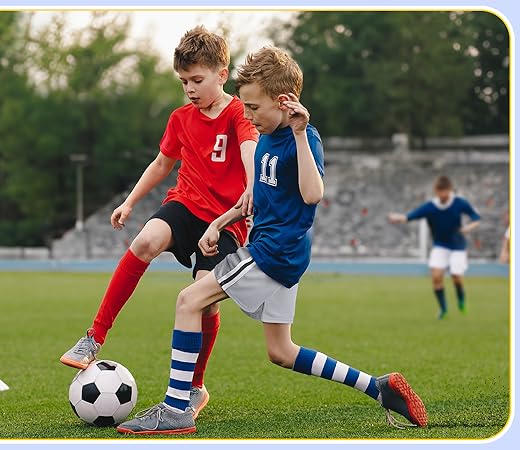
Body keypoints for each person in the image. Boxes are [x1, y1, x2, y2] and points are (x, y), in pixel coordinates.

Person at [116, 46, 428, 435]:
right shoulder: (265, 133)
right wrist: (220, 222)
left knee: (188, 300)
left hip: (272, 253)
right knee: (281, 351)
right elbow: (255, 200)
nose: (246, 116)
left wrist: (299, 134)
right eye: (244, 107)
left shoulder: (303, 138)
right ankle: (378, 387)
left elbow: (313, 194)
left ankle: (176, 407)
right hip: (280, 253)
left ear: (285, 103)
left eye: (253, 108)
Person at [60, 25, 259, 420]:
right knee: (144, 242)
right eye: (184, 81)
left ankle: (195, 388)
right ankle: (93, 337)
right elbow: (162, 164)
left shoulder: (239, 112)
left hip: (224, 221)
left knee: (202, 306)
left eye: (197, 80)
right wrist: (130, 202)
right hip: (185, 205)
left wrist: (252, 188)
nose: (189, 88)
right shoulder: (181, 118)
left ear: (222, 74)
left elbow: (250, 147)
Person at [388, 175, 481, 319]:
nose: (441, 195)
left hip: (457, 246)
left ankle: (461, 299)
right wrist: (397, 218)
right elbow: (410, 216)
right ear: (435, 191)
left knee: (456, 277)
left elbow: (476, 218)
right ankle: (443, 309)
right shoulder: (430, 207)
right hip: (440, 245)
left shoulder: (459, 203)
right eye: (439, 191)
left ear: (449, 190)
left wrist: (469, 227)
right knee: (436, 277)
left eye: (444, 191)